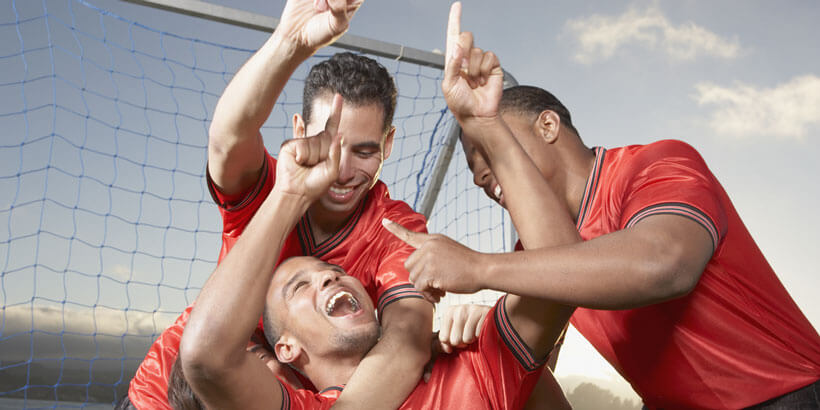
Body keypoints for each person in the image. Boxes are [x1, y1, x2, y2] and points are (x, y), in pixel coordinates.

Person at [399, 2, 820, 409]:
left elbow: (664, 265)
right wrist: (481, 329)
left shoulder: (654, 163)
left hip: (785, 393)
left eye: (492, 149)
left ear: (548, 126)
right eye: (474, 169)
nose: (480, 177)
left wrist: (479, 268)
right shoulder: (534, 253)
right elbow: (533, 369)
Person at [127, 0, 435, 408]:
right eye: (331, 146)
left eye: (364, 152)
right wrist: (288, 41)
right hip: (163, 395)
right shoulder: (272, 184)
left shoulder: (395, 227)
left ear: (388, 144)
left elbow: (405, 344)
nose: (343, 171)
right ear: (300, 129)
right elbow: (227, 138)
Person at [176, 94, 571, 407]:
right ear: (286, 350)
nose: (329, 274)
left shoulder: (471, 367)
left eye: (332, 268)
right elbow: (206, 357)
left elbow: (562, 271)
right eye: (298, 287)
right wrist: (289, 193)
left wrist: (485, 124)